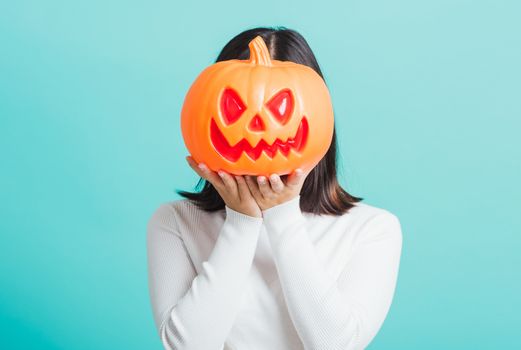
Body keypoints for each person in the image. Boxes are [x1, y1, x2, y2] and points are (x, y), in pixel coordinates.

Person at [146, 27, 403, 350]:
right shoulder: (174, 222)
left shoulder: (372, 229)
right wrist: (241, 221)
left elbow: (335, 345)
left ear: (319, 118)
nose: (257, 126)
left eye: (279, 108)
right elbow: (187, 346)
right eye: (234, 106)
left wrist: (282, 215)